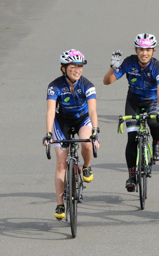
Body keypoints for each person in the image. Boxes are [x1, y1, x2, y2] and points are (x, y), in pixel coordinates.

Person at [103, 35, 159, 192]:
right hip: (133, 101)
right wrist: (112, 67)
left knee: (153, 122)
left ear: (153, 51)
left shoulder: (158, 67)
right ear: (136, 50)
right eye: (141, 49)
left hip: (151, 101)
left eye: (148, 50)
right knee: (131, 138)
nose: (144, 53)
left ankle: (156, 143)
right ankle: (131, 175)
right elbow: (107, 81)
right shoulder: (129, 62)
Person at [44, 50, 100, 220]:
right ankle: (60, 204)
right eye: (72, 67)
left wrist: (95, 131)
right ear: (63, 68)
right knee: (61, 164)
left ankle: (86, 166)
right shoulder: (54, 86)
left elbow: (92, 110)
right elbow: (50, 111)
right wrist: (48, 134)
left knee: (87, 143)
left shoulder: (87, 85)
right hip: (62, 122)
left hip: (82, 119)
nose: (77, 70)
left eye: (80, 66)